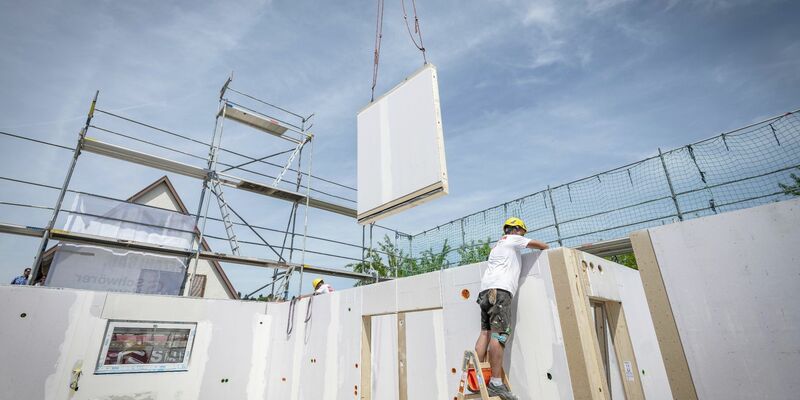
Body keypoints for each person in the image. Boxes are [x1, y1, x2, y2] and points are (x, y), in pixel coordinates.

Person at [474, 217, 549, 400]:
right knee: (498, 335)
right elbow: (542, 246)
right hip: (500, 290)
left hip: (485, 291)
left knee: (485, 332)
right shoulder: (512, 239)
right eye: (523, 232)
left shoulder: (496, 246)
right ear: (516, 229)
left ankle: (475, 378)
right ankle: (496, 383)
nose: (524, 236)